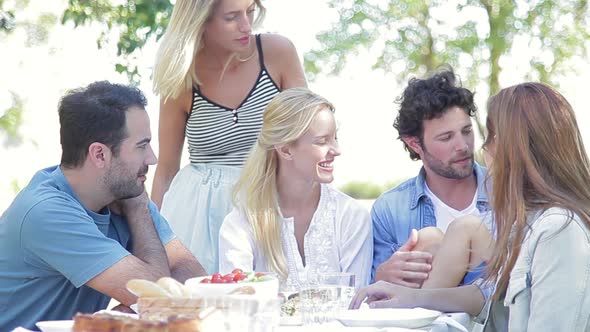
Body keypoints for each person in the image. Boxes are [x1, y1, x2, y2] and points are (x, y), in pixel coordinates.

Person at [352, 82, 590, 331]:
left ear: (516, 147)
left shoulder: (558, 230)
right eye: (446, 137)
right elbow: (485, 295)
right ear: (415, 144)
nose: (472, 147)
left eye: (480, 134)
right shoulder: (525, 218)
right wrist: (401, 292)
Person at [0, 81, 206, 331]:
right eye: (142, 146)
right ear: (99, 154)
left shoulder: (126, 192)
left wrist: (133, 308)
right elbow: (158, 299)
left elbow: (195, 276)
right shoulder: (46, 212)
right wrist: (139, 211)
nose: (152, 159)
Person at [150, 0, 307, 274]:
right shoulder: (181, 78)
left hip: (268, 202)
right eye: (232, 17)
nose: (246, 25)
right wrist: (150, 244)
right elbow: (166, 171)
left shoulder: (278, 53)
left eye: (250, 11)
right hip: (198, 214)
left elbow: (309, 138)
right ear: (201, 23)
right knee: (200, 305)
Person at [218, 88, 373, 288]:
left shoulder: (351, 216)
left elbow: (355, 303)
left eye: (335, 137)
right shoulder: (241, 224)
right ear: (285, 149)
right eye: (322, 141)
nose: (336, 150)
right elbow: (240, 303)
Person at [371, 69, 492, 291]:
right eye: (446, 137)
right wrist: (382, 274)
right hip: (422, 323)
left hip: (493, 320)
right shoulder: (390, 209)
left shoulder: (507, 190)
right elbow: (371, 291)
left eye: (466, 131)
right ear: (414, 144)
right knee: (429, 239)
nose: (463, 146)